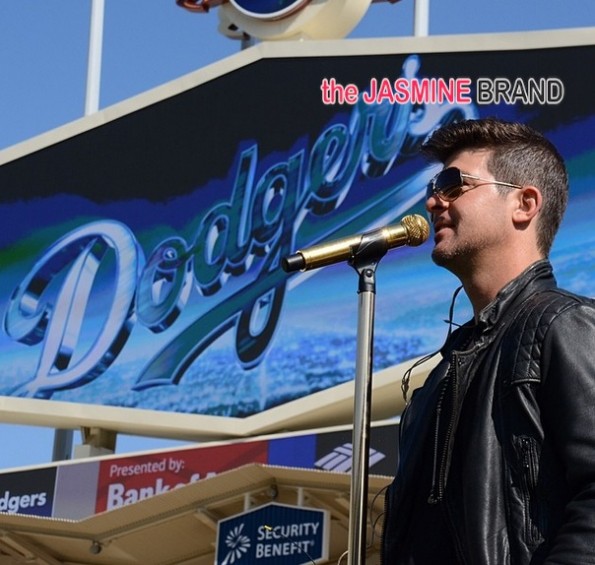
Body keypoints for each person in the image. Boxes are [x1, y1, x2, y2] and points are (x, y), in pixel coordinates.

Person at [381, 117, 595, 564]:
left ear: (524, 203)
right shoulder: (443, 372)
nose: (434, 201)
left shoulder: (563, 324)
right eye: (433, 188)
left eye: (454, 183)